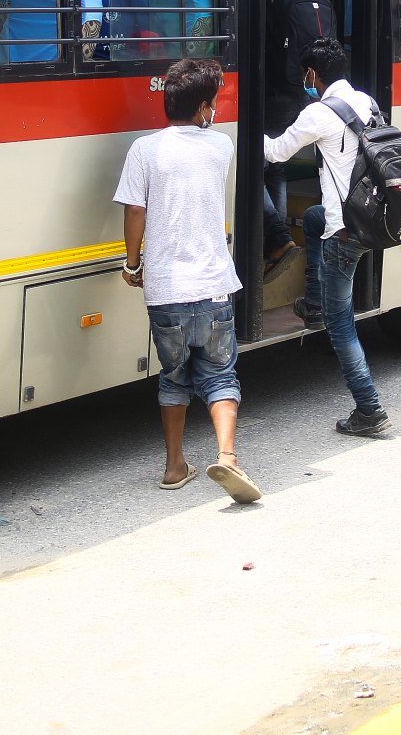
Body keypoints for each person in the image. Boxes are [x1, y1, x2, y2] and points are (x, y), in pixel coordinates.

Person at [113, 58, 260, 504]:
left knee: (174, 378)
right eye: (212, 104)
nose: (214, 111)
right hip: (214, 284)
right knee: (219, 376)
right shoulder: (221, 147)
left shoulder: (144, 149)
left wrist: (133, 263)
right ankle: (228, 457)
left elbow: (135, 210)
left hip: (166, 291)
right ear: (201, 109)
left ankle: (175, 466)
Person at [263, 35, 392, 436]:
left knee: (341, 325)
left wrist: (242, 127)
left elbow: (274, 153)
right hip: (369, 216)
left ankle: (369, 409)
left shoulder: (318, 113)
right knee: (315, 218)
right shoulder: (365, 101)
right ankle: (314, 302)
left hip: (345, 233)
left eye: (304, 74)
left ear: (311, 74)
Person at [260, 0, 307, 283]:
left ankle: (278, 238)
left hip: (269, 97)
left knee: (251, 168)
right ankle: (274, 246)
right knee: (274, 169)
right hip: (295, 96)